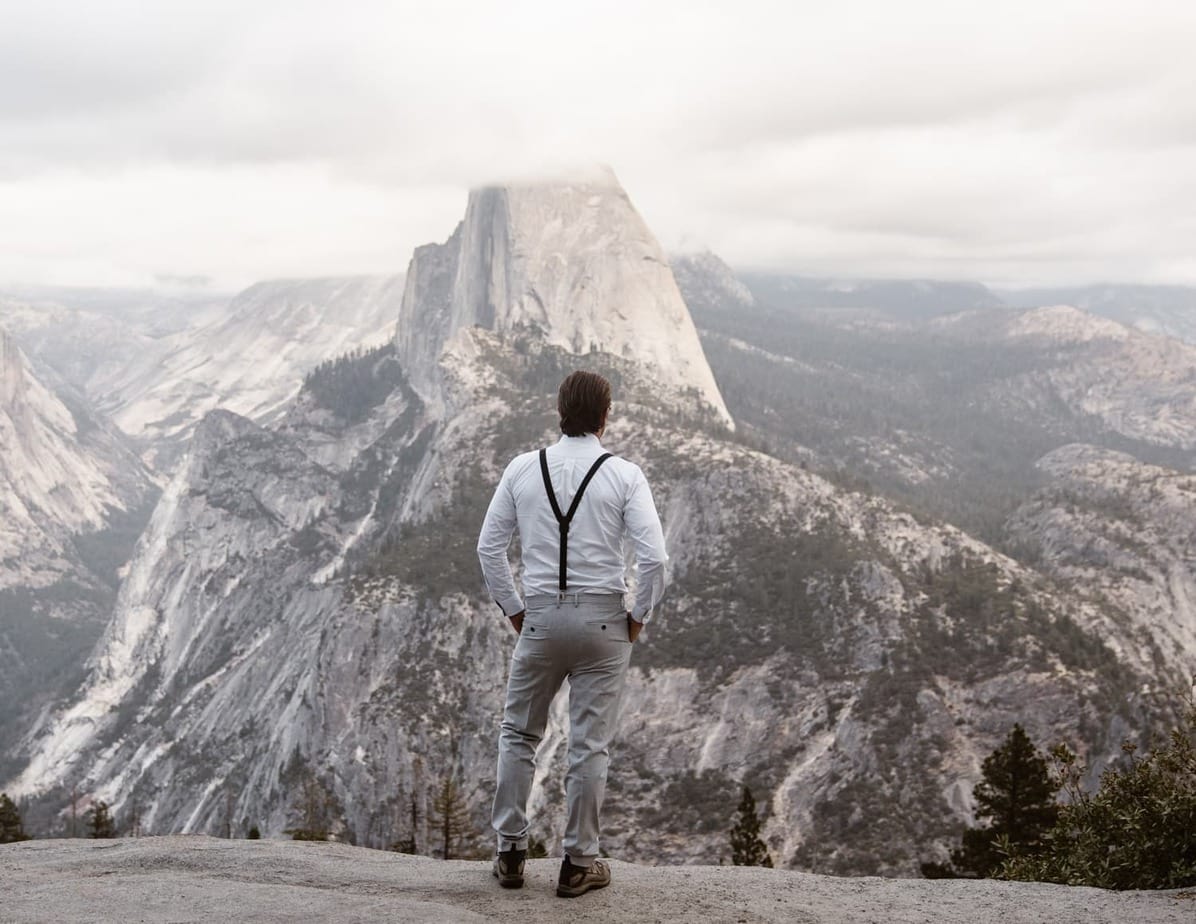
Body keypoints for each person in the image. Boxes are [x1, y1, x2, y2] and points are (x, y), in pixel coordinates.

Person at [477, 369, 668, 898]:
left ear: (559, 410)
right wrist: (638, 618)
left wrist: (516, 611)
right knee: (589, 746)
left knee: (519, 733)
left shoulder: (522, 468)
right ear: (605, 416)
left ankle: (511, 852)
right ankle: (579, 862)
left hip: (538, 619)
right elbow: (653, 558)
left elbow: (488, 550)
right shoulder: (625, 475)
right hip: (605, 622)